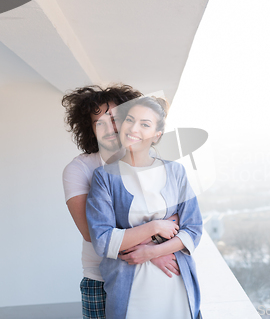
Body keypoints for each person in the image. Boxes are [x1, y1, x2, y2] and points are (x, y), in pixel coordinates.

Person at [62, 85, 181, 319]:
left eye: (116, 120)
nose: (109, 128)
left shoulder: (154, 162)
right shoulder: (79, 169)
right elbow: (92, 233)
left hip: (155, 276)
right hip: (102, 279)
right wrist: (155, 247)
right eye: (99, 122)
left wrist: (151, 250)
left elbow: (178, 216)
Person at [86, 96, 203, 319]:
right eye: (130, 120)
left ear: (156, 135)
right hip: (129, 287)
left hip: (174, 281)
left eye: (145, 124)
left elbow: (194, 228)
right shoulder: (104, 178)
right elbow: (102, 240)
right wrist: (155, 227)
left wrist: (152, 252)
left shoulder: (176, 172)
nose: (134, 128)